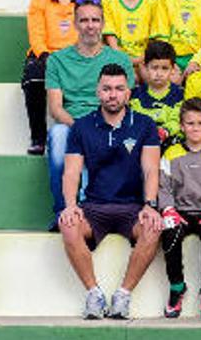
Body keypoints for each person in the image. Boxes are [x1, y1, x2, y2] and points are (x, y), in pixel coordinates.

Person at [57, 63, 161, 319]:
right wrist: (70, 205)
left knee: (153, 227)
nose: (112, 94)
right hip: (94, 206)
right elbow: (71, 172)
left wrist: (150, 205)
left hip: (133, 206)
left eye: (118, 89)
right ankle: (94, 294)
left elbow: (151, 170)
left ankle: (123, 296)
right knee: (68, 225)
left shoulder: (145, 125)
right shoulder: (82, 126)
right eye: (107, 89)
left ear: (128, 93)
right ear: (97, 92)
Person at [46, 0, 136, 225]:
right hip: (71, 124)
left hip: (109, 121)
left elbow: (124, 101)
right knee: (57, 137)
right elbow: (56, 107)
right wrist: (81, 129)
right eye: (84, 20)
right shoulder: (57, 60)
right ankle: (62, 212)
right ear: (75, 24)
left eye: (95, 20)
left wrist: (97, 128)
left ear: (103, 23)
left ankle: (92, 213)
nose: (90, 25)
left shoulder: (120, 59)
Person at [158, 97, 201, 319]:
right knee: (170, 236)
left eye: (200, 123)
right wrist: (168, 209)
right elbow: (165, 188)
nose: (195, 128)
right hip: (180, 211)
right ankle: (177, 286)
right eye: (190, 123)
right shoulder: (172, 154)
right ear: (181, 126)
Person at [25, 0, 81, 155]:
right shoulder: (40, 1)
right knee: (34, 80)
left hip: (75, 56)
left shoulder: (84, 1)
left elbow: (88, 33)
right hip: (45, 56)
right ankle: (38, 138)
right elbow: (36, 34)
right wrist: (47, 56)